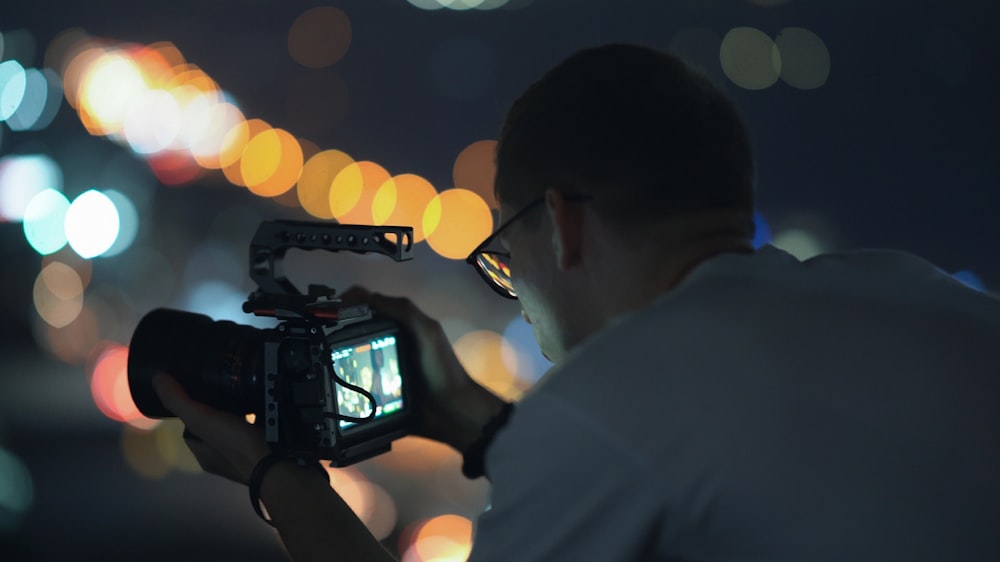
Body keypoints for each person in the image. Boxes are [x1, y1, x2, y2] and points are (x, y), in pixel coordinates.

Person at [152, 43, 1000, 561]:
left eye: (506, 254)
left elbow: (638, 436)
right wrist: (475, 420)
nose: (517, 293)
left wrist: (273, 479)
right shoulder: (910, 288)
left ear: (559, 223)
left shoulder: (604, 406)